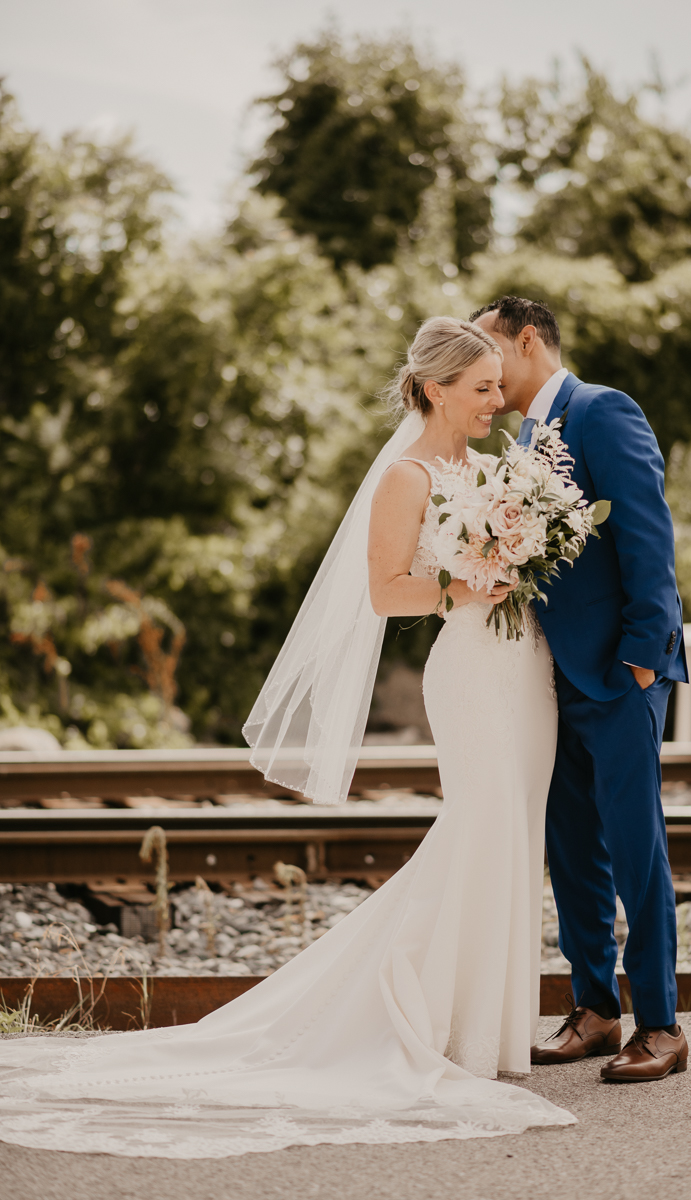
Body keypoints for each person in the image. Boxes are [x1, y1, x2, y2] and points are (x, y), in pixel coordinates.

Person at [0, 317, 575, 1159]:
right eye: (483, 387)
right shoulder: (406, 476)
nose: (500, 399)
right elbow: (387, 594)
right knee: (479, 828)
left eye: (499, 385)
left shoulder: (489, 468)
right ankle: (405, 1012)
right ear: (434, 389)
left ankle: (486, 1029)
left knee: (515, 831)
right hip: (471, 674)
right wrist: (462, 585)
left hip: (522, 668)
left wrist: (521, 555)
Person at [472, 295, 690, 1082]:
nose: (484, 367)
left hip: (619, 672)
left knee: (636, 847)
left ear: (527, 340)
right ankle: (596, 1010)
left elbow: (646, 533)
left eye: (489, 346)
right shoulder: (524, 433)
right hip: (551, 678)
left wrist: (642, 657)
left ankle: (661, 1025)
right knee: (571, 851)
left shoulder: (604, 411)